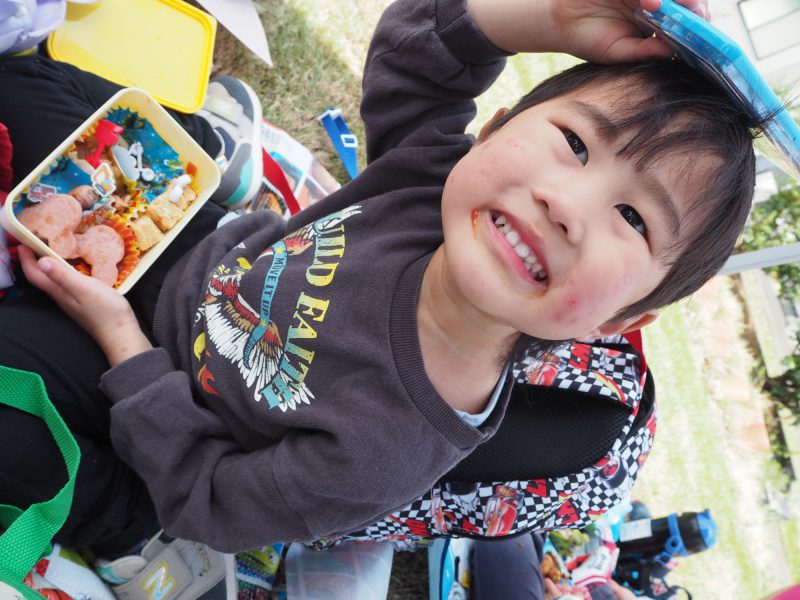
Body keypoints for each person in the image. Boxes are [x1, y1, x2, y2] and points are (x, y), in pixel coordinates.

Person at [0, 0, 760, 581]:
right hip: (194, 262)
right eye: (575, 142)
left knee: (11, 409)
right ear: (494, 130)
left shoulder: (391, 447)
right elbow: (422, 53)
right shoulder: (430, 180)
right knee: (30, 87)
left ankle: (122, 540)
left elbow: (213, 500)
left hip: (155, 427)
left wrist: (121, 343)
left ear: (622, 320)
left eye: (633, 217)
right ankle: (220, 151)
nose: (565, 204)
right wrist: (556, 17)